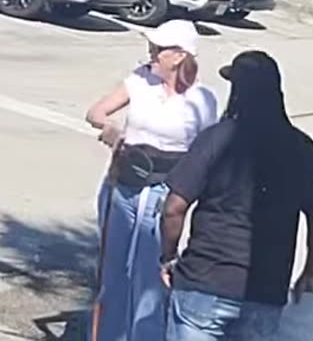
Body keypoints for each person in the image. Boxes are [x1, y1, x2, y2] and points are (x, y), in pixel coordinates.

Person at [160, 50, 313, 341]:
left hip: (204, 282)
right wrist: (310, 272)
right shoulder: (301, 147)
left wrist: (167, 257)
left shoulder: (217, 139)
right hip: (266, 290)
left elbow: (174, 208)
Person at [85, 19, 218, 341]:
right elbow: (95, 112)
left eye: (158, 49)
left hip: (163, 190)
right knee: (113, 272)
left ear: (179, 56)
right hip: (123, 183)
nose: (151, 54)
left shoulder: (203, 100)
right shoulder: (140, 80)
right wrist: (113, 128)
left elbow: (206, 153)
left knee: (150, 278)